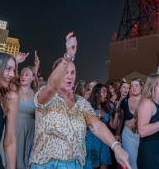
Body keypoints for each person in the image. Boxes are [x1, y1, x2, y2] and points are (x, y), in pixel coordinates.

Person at [29, 32, 131, 169]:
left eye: (72, 72)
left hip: (74, 164)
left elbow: (97, 126)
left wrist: (116, 147)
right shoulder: (45, 96)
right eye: (65, 72)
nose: (69, 76)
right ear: (56, 74)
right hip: (46, 164)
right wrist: (68, 58)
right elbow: (52, 86)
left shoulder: (82, 103)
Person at [16, 51, 40, 169]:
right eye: (22, 74)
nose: (23, 76)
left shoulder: (36, 94)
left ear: (32, 78)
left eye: (27, 74)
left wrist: (36, 66)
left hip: (30, 131)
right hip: (14, 129)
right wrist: (16, 62)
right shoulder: (13, 90)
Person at [85, 84, 114, 169]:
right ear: (97, 93)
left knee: (104, 164)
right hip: (92, 141)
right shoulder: (89, 107)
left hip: (104, 141)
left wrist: (117, 114)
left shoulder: (107, 107)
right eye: (103, 92)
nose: (106, 94)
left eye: (106, 92)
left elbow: (113, 125)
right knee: (92, 165)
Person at [117, 78, 143, 169]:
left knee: (142, 162)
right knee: (132, 164)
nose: (134, 88)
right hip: (127, 135)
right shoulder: (124, 101)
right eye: (132, 86)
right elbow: (121, 119)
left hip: (142, 136)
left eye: (137, 85)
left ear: (141, 87)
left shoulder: (146, 102)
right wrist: (117, 134)